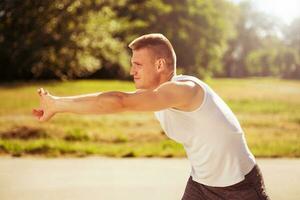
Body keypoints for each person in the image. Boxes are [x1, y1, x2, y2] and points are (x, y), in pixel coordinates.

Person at [32, 33, 270, 200]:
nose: (131, 71)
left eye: (137, 64)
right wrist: (57, 104)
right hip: (202, 185)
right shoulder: (156, 95)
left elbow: (119, 102)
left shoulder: (183, 89)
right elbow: (111, 101)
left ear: (159, 65)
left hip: (239, 187)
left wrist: (58, 105)